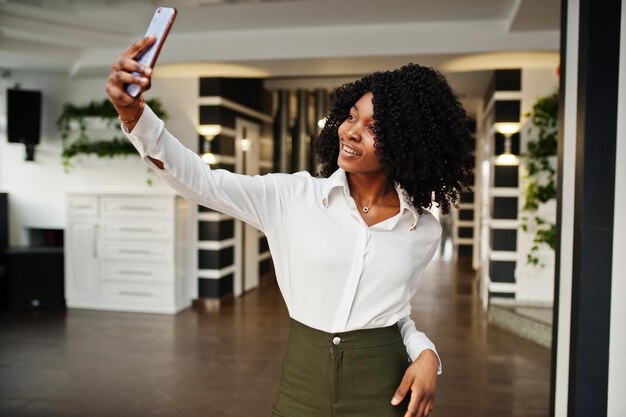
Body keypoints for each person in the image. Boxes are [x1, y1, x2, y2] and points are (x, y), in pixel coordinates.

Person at [105, 36, 473, 417]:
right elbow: (202, 182)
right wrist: (133, 114)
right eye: (351, 116)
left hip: (383, 387)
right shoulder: (292, 196)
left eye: (373, 127)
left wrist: (427, 354)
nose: (350, 132)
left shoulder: (423, 230)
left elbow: (397, 313)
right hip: (303, 382)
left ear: (406, 143)